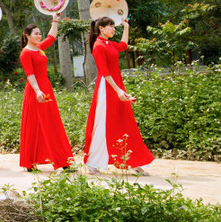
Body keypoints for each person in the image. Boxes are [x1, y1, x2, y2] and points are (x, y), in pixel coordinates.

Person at [84, 17, 153, 174]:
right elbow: (104, 72)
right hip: (107, 88)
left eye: (114, 26)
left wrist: (126, 27)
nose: (113, 29)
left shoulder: (108, 44)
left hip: (116, 86)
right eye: (111, 26)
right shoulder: (98, 46)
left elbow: (123, 45)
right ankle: (93, 163)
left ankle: (134, 161)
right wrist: (118, 90)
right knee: (103, 124)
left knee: (125, 121)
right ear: (101, 28)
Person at [19, 15, 74, 172]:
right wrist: (37, 91)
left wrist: (55, 20)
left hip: (46, 88)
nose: (39, 36)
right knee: (34, 125)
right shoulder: (26, 53)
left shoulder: (40, 49)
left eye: (39, 33)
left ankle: (63, 161)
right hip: (35, 91)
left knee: (52, 122)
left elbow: (52, 36)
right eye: (35, 34)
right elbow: (30, 74)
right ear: (27, 36)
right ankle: (30, 162)